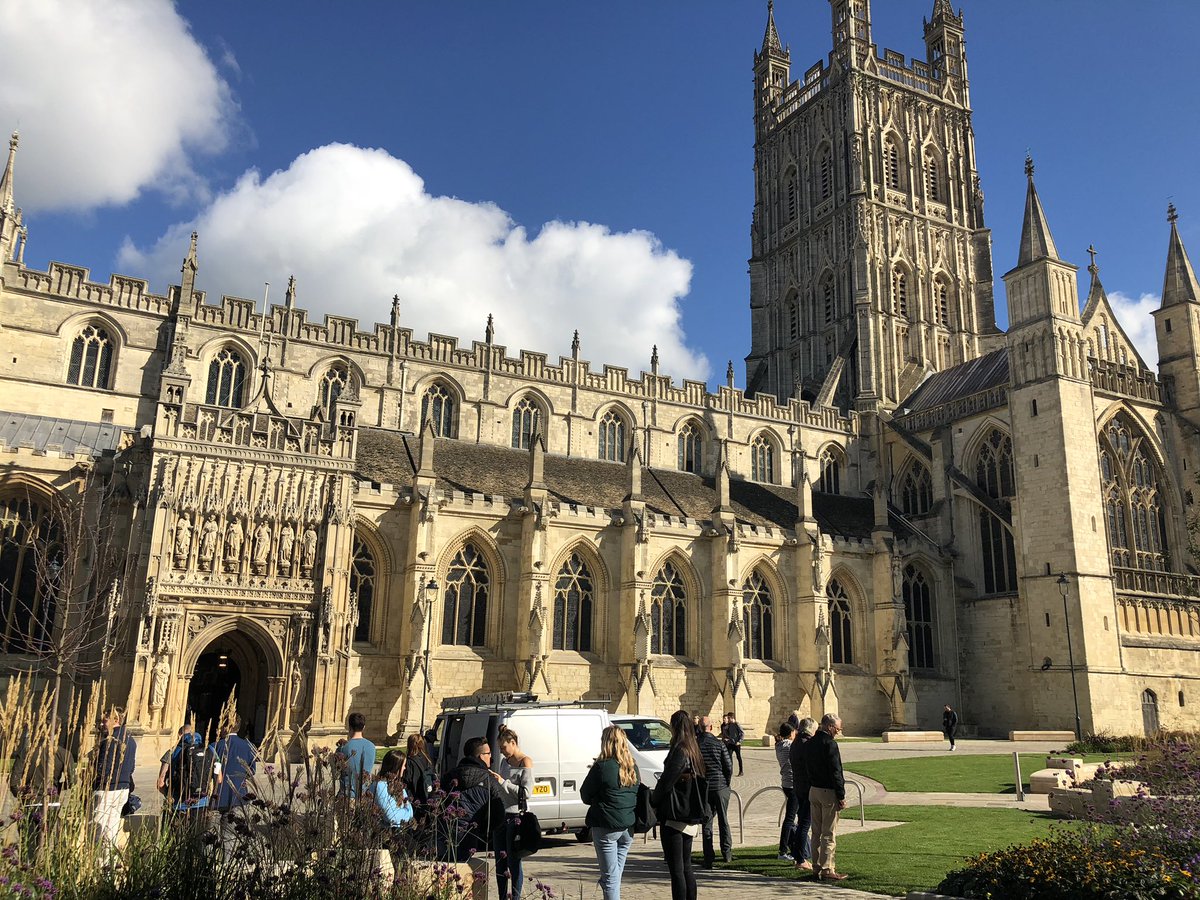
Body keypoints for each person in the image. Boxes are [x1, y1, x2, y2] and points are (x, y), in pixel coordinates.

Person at [650, 710, 708, 900]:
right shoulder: (694, 748)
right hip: (688, 812)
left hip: (676, 814)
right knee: (685, 866)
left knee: (677, 869)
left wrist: (654, 799)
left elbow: (667, 781)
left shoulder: (681, 750)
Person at [581, 725, 640, 900]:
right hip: (627, 826)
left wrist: (598, 799)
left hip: (606, 825)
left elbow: (585, 794)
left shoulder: (602, 766)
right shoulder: (632, 766)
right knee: (615, 875)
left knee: (610, 878)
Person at [8, 729, 74, 861]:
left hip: (30, 803)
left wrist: (22, 794)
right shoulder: (64, 753)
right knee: (43, 844)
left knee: (28, 847)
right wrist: (57, 789)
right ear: (58, 732)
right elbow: (72, 780)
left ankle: (29, 874)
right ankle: (40, 871)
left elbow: (14, 782)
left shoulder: (27, 752)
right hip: (51, 803)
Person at [442, 737, 506, 863]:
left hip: (445, 834)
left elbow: (435, 802)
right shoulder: (490, 781)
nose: (491, 757)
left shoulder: (449, 776)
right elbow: (499, 814)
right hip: (470, 836)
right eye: (488, 754)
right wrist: (482, 831)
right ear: (481, 756)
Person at [801, 714, 848, 882]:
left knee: (816, 831)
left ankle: (816, 866)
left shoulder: (809, 743)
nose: (838, 732)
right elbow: (836, 772)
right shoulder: (830, 744)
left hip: (814, 790)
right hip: (828, 792)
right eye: (837, 729)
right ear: (829, 727)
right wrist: (841, 795)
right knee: (829, 832)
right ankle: (828, 868)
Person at [492, 727, 534, 900]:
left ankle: (515, 896)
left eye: (503, 748)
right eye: (500, 749)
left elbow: (526, 793)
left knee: (514, 862)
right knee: (500, 862)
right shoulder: (504, 762)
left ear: (513, 743)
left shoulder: (526, 762)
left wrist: (503, 783)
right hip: (501, 816)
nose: (502, 752)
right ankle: (502, 896)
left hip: (516, 817)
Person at [91, 707, 136, 862]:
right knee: (112, 826)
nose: (102, 724)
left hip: (107, 788)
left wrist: (92, 773)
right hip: (123, 788)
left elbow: (103, 767)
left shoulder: (110, 740)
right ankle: (111, 862)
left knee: (99, 826)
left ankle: (100, 863)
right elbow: (132, 767)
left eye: (105, 720)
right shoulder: (131, 740)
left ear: (115, 720)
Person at [211, 714, 257, 856]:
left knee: (211, 836)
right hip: (239, 794)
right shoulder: (248, 746)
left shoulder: (215, 746)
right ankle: (225, 863)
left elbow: (212, 769)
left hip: (217, 795)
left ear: (224, 726)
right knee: (230, 835)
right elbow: (252, 770)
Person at [695, 715, 732, 866]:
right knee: (724, 820)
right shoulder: (719, 744)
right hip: (720, 785)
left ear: (699, 728)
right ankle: (727, 853)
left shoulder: (696, 745)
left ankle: (708, 856)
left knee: (707, 822)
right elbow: (728, 766)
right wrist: (726, 783)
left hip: (705, 786)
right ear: (711, 727)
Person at [165, 730, 221, 816]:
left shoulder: (174, 750)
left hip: (178, 803)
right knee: (198, 829)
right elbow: (219, 779)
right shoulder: (210, 750)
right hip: (201, 802)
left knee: (177, 828)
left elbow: (161, 782)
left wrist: (168, 796)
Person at [787, 717, 816, 871]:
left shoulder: (796, 743)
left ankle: (798, 856)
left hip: (799, 787)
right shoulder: (806, 745)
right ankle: (800, 859)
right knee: (804, 825)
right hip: (806, 788)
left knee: (801, 824)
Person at [337, 711, 376, 798]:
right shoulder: (372, 747)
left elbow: (337, 770)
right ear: (364, 727)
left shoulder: (343, 748)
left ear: (349, 727)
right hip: (364, 794)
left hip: (347, 794)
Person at [373, 749, 414, 829]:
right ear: (396, 767)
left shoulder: (398, 784)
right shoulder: (380, 785)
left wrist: (405, 812)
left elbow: (411, 812)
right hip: (385, 833)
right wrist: (406, 812)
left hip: (399, 831)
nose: (405, 768)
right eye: (403, 765)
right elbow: (392, 816)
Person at [775, 722, 796, 861]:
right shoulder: (789, 746)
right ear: (790, 733)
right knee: (790, 817)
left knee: (792, 816)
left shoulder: (779, 746)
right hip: (793, 783)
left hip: (786, 783)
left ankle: (792, 846)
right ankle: (783, 850)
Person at [401, 732, 435, 820]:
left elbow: (407, 781)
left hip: (414, 797)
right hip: (426, 795)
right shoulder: (428, 759)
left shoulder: (410, 761)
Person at [156, 723, 194, 794]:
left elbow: (160, 782)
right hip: (200, 799)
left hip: (177, 795)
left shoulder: (172, 752)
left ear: (179, 735)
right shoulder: (206, 751)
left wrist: (168, 796)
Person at [720, 712, 745, 777]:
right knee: (729, 757)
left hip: (737, 744)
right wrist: (726, 739)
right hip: (730, 744)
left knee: (738, 757)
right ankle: (730, 771)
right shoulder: (729, 725)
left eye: (728, 718)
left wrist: (740, 741)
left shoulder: (737, 724)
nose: (727, 719)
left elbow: (742, 733)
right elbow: (727, 733)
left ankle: (741, 771)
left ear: (731, 718)